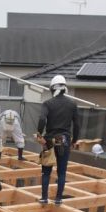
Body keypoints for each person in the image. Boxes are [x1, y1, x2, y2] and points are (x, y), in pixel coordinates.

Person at [36, 75, 80, 205]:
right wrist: (74, 140)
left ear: (53, 88)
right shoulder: (72, 104)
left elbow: (42, 119)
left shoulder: (48, 104)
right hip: (63, 140)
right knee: (61, 171)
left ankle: (44, 198)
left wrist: (39, 134)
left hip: (49, 140)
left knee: (46, 171)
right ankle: (58, 199)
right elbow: (77, 125)